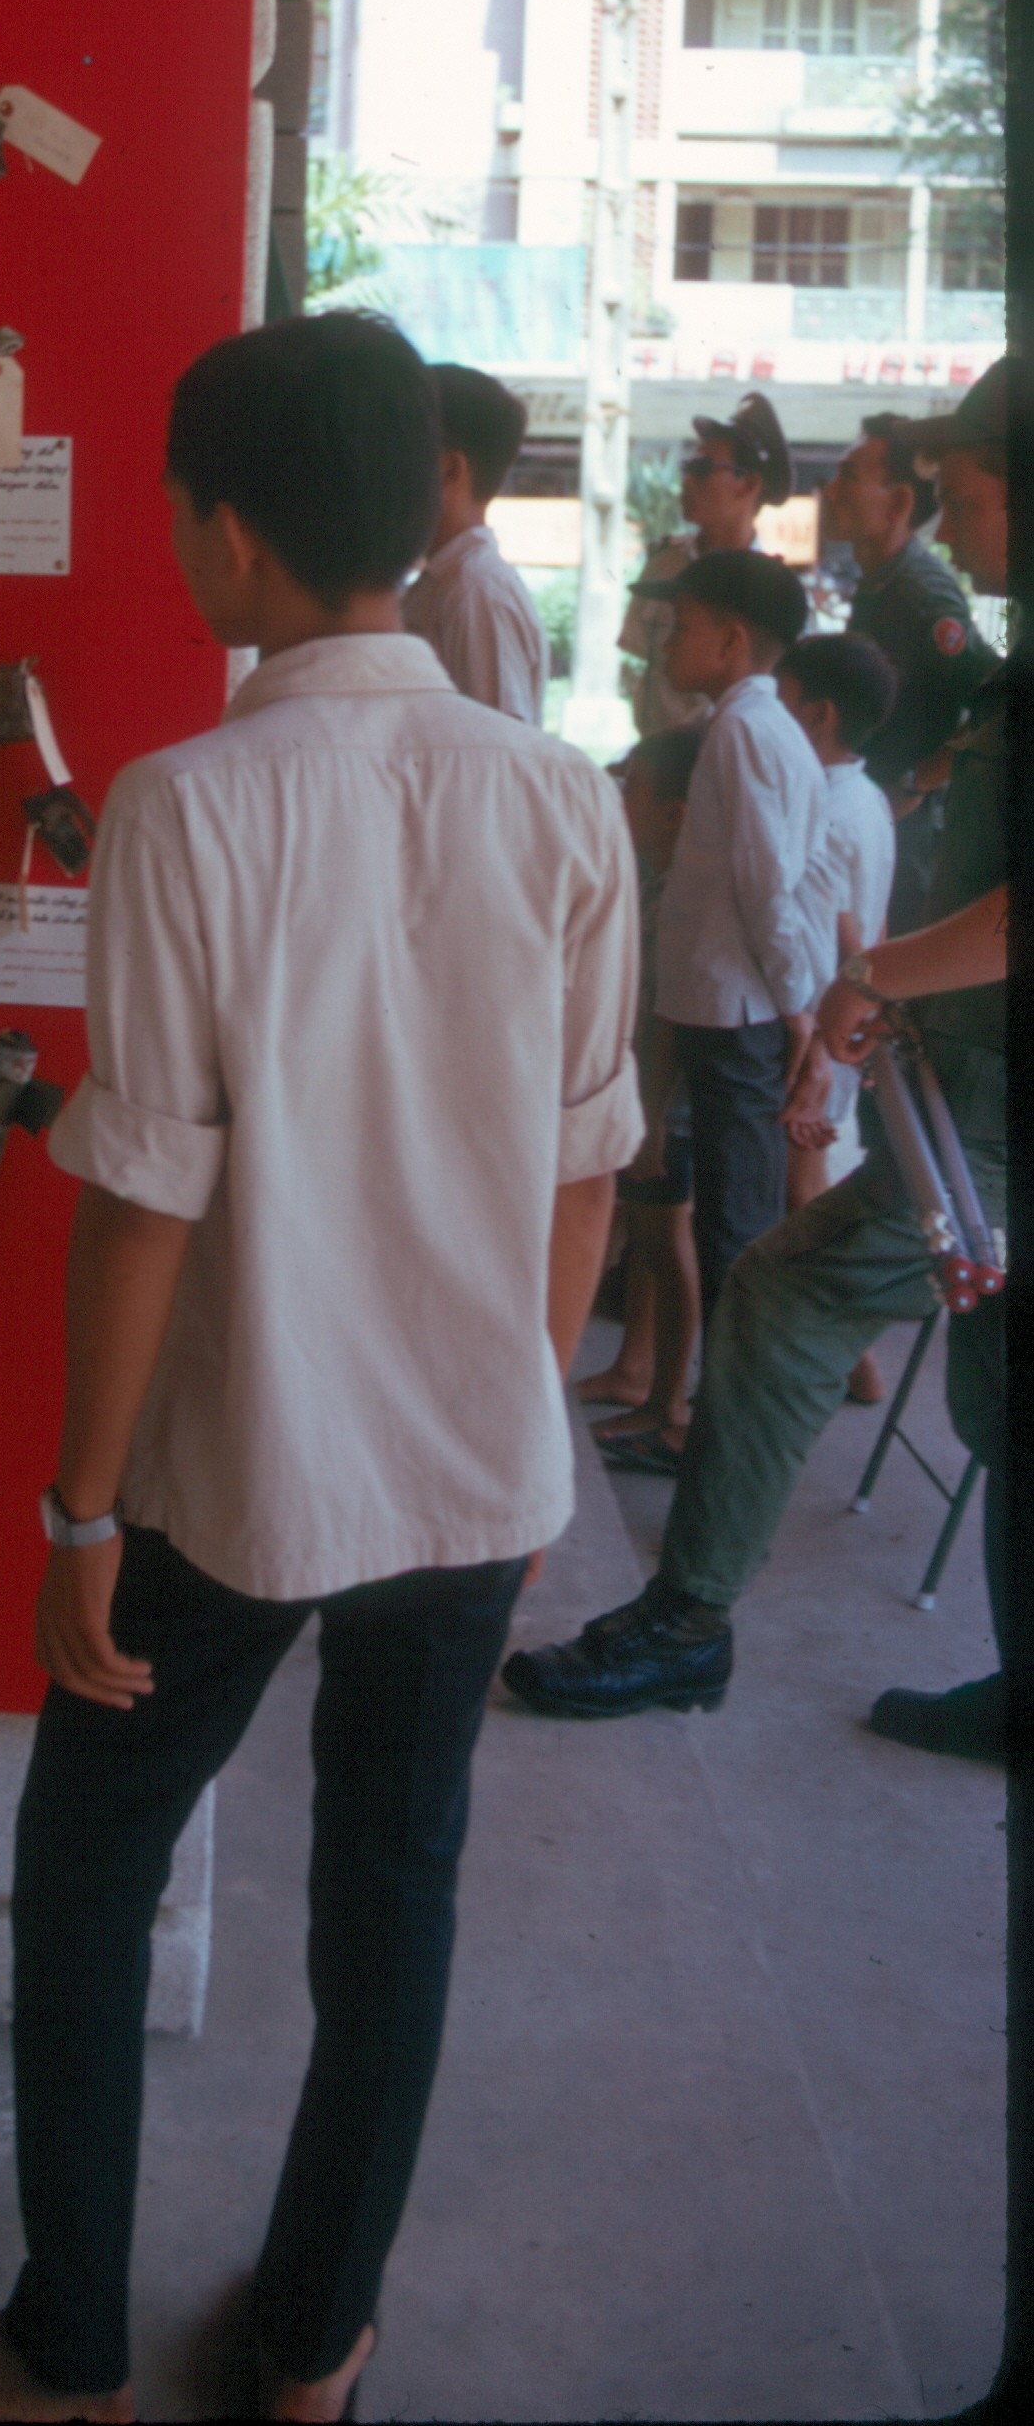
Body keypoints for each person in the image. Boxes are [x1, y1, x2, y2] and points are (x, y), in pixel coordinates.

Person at [0, 312, 642, 2425]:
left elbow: (141, 1203)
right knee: (394, 1893)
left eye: (177, 512)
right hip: (468, 1474)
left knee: (90, 1871)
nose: (173, 544)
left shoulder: (185, 804)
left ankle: (64, 2349)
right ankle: (311, 2347)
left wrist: (74, 1511)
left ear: (234, 536)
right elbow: (586, 1176)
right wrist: (517, 1436)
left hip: (225, 1473)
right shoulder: (562, 799)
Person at [500, 356, 1015, 1757]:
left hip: (984, 1123)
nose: (948, 517)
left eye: (966, 493)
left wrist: (857, 980)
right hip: (958, 1089)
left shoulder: (799, 705)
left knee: (775, 1284)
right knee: (991, 1386)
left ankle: (687, 1621)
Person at [637, 547, 826, 1362]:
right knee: (727, 1219)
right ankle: (712, 1409)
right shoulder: (746, 725)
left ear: (732, 640)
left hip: (740, 1010)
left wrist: (795, 1008)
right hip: (730, 1005)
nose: (665, 644)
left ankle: (729, 1416)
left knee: (734, 1230)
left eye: (681, 626)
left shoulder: (745, 730)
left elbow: (763, 884)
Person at [575, 723, 705, 1472]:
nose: (621, 802)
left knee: (665, 1243)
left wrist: (650, 1119)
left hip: (666, 1103)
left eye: (634, 791)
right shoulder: (655, 879)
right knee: (650, 1236)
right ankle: (637, 1372)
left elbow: (666, 1020)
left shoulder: (680, 895)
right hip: (651, 1096)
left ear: (674, 814)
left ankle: (668, 1402)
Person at [822, 411, 996, 932]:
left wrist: (918, 782)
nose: (831, 491)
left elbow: (990, 706)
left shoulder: (924, 597)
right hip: (870, 818)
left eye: (849, 476)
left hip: (905, 835)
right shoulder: (880, 584)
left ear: (899, 503)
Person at [776, 632, 899, 1215]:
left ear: (819, 715)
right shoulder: (869, 798)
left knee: (798, 1193)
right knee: (801, 1182)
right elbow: (877, 923)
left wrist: (820, 1047)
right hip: (844, 1018)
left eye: (782, 699)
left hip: (818, 1027)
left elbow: (841, 934)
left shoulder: (818, 809)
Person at [620, 389, 792, 736]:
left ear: (749, 484)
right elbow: (642, 663)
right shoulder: (663, 565)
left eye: (702, 469)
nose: (687, 481)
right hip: (655, 754)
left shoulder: (774, 593)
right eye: (688, 468)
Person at [401, 361, 549, 722]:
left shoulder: (476, 590)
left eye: (400, 452)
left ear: (449, 469)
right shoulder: (452, 581)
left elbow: (498, 744)